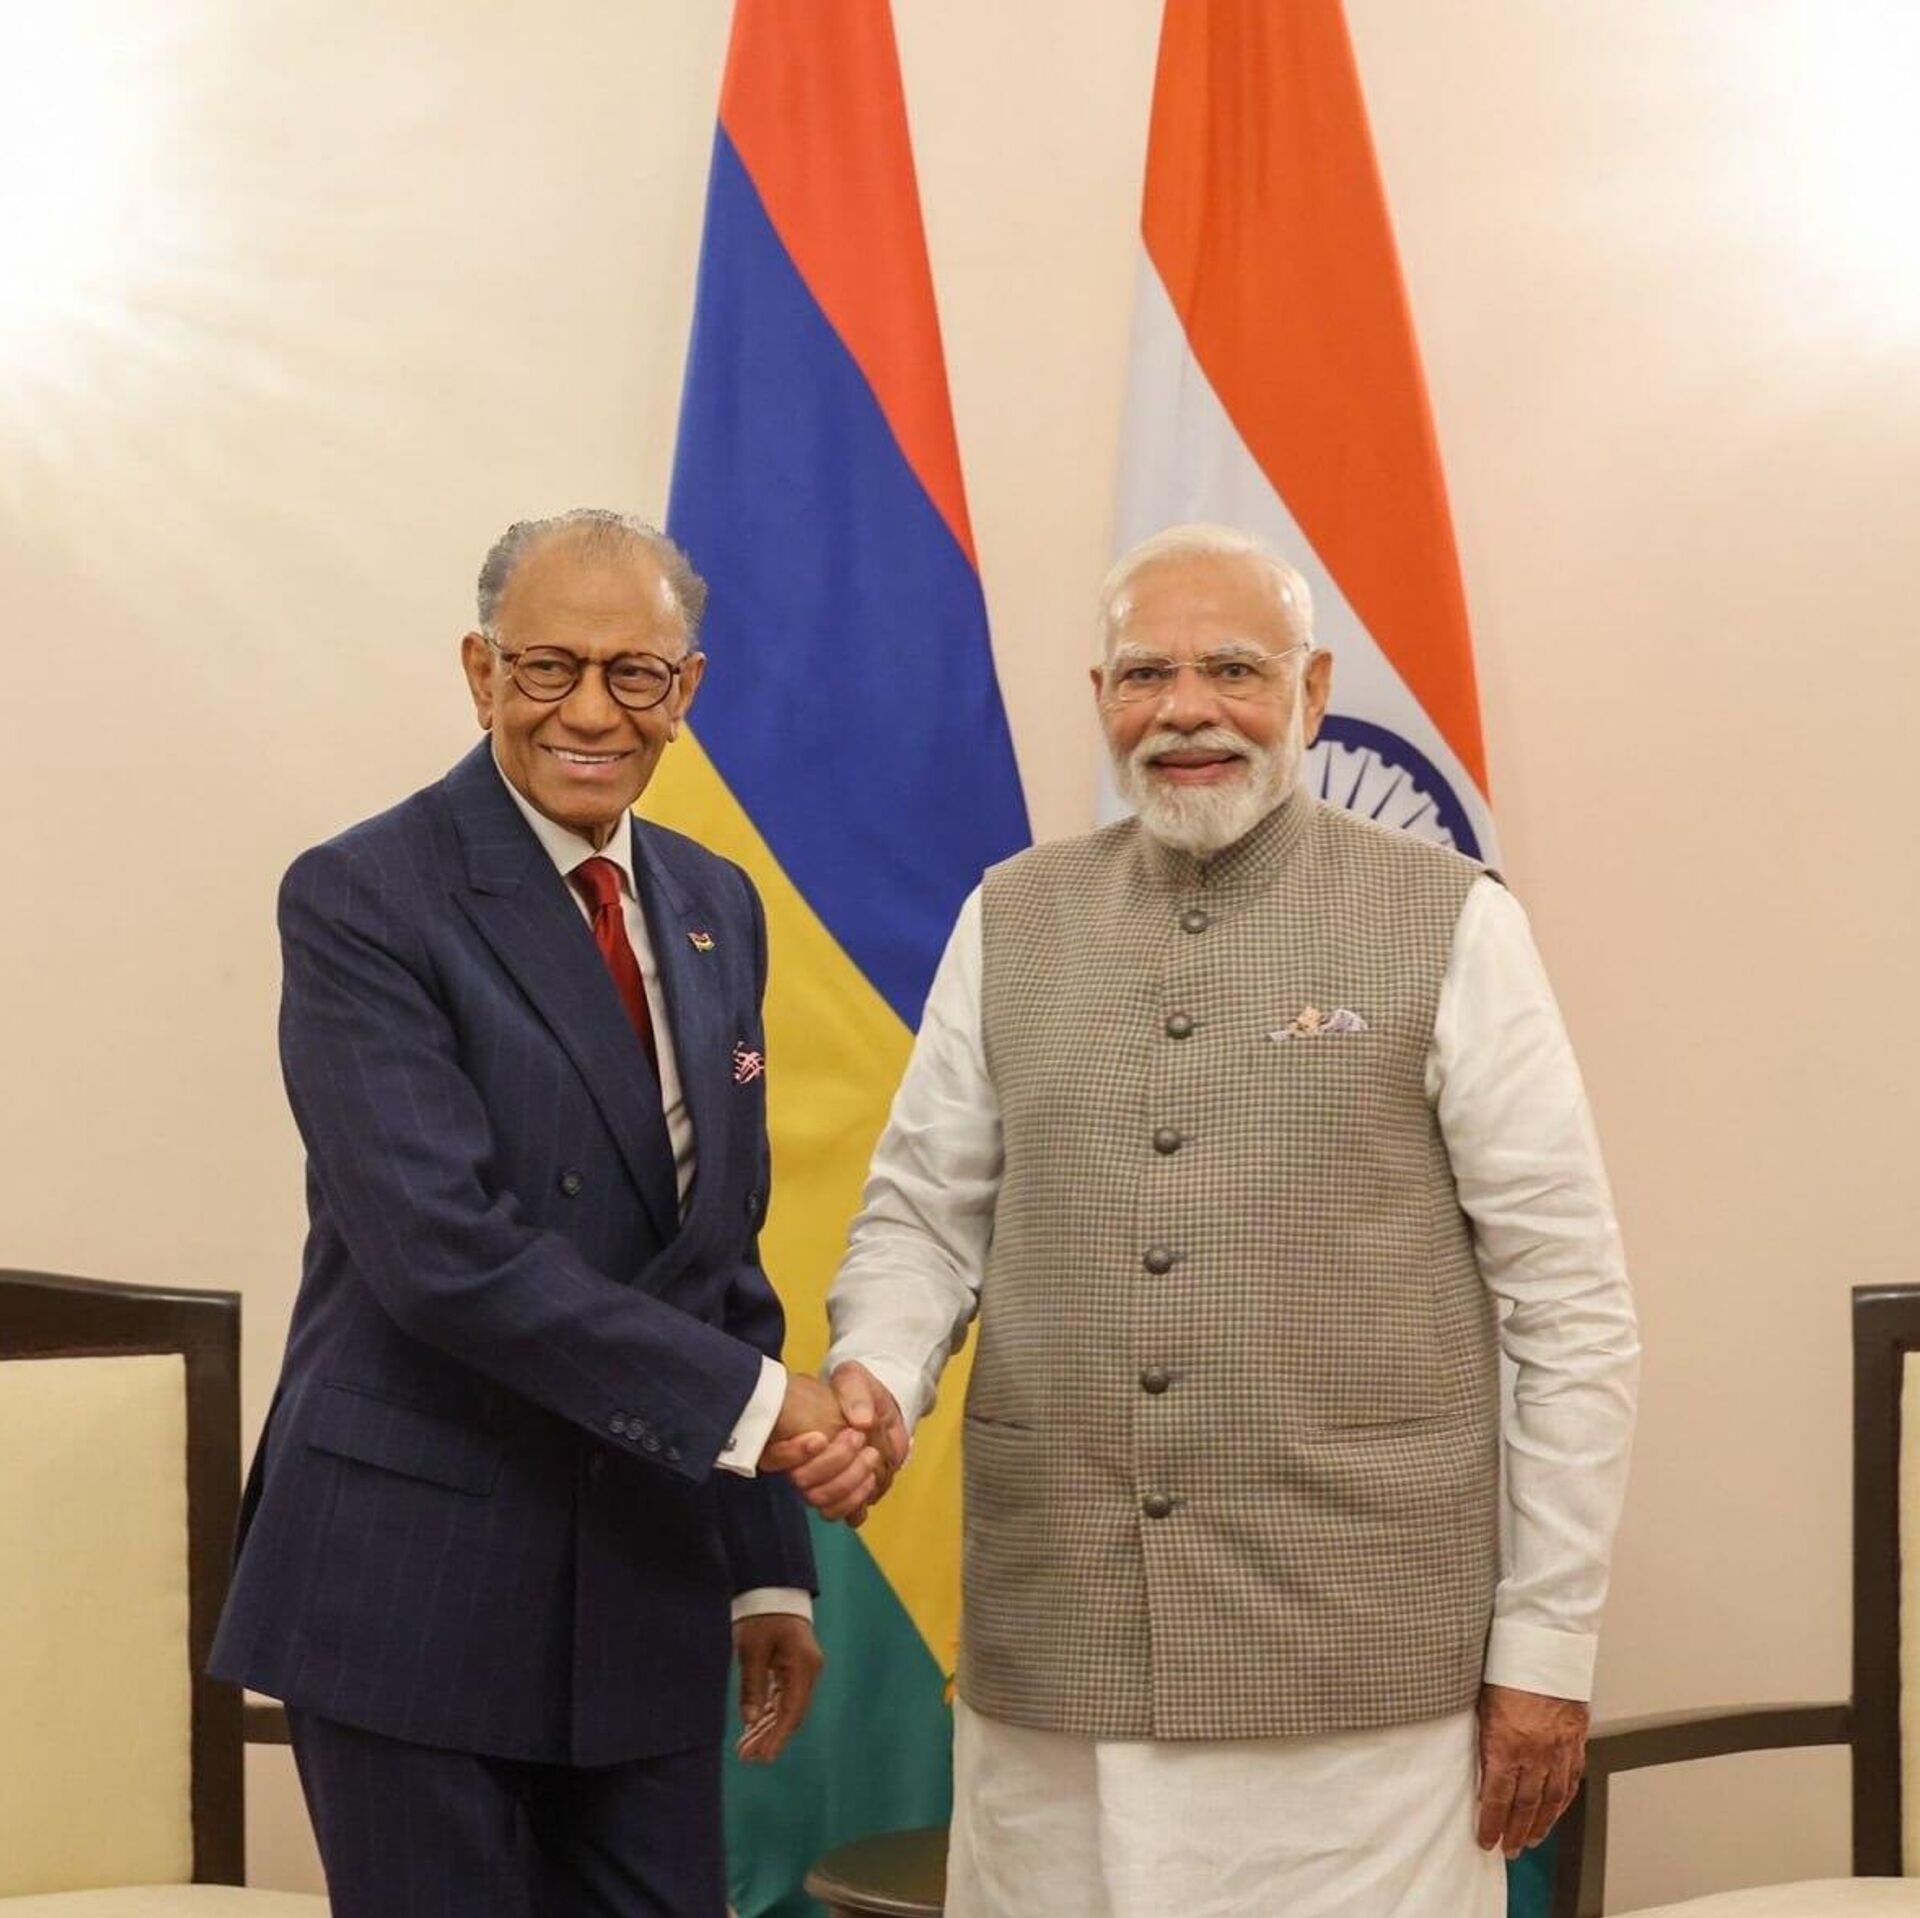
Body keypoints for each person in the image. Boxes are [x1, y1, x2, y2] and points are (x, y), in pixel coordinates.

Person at [777, 524, 1641, 1917]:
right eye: (1146, 675)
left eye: (1234, 669)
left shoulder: (1450, 922)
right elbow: (922, 1219)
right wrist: (879, 1369)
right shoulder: (1011, 917)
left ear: (1312, 690)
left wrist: (1547, 1646)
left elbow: (1571, 1307)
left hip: (1359, 1683)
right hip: (1055, 1659)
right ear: (1102, 698)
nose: (1187, 708)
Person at [211, 509, 877, 1918]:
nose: (589, 710)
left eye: (634, 673)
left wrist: (765, 1573)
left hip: (642, 1583)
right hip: (413, 1587)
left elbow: (719, 1251)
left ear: (686, 690)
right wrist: (768, 1412)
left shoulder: (716, 902)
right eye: (547, 666)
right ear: (480, 672)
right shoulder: (362, 896)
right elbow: (441, 1256)